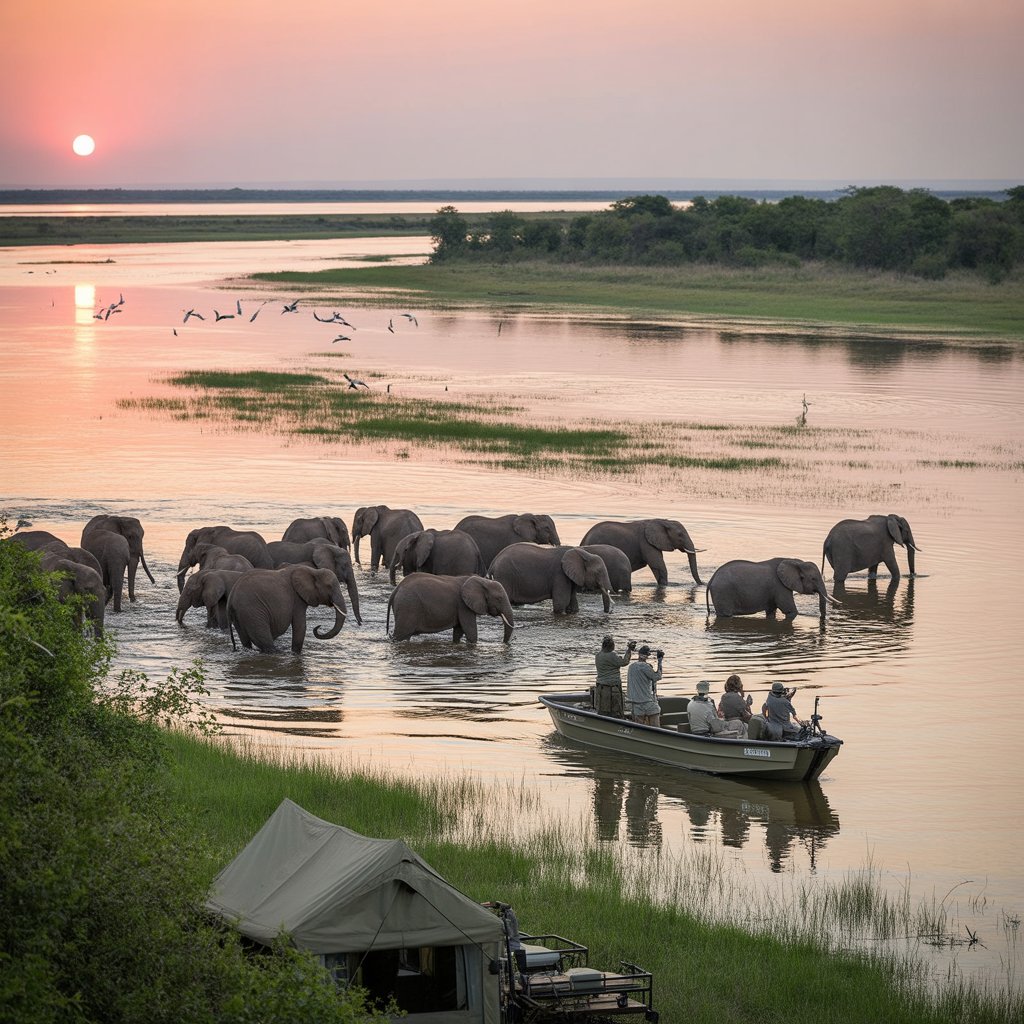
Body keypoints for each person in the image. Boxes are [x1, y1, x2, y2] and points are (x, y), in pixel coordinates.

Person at [594, 635, 634, 717]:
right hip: (612, 688)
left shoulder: (598, 655)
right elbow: (625, 662)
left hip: (601, 687)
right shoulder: (612, 655)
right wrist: (629, 650)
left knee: (603, 711)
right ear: (611, 646)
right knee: (616, 711)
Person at [483, 901, 526, 975]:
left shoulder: (507, 918)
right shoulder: (509, 915)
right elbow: (493, 903)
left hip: (512, 947)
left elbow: (509, 935)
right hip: (511, 945)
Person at [626, 645, 663, 726]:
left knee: (639, 729)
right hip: (648, 703)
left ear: (639, 654)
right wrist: (660, 661)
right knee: (656, 729)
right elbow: (658, 677)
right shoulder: (645, 666)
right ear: (647, 656)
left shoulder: (631, 667)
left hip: (635, 704)